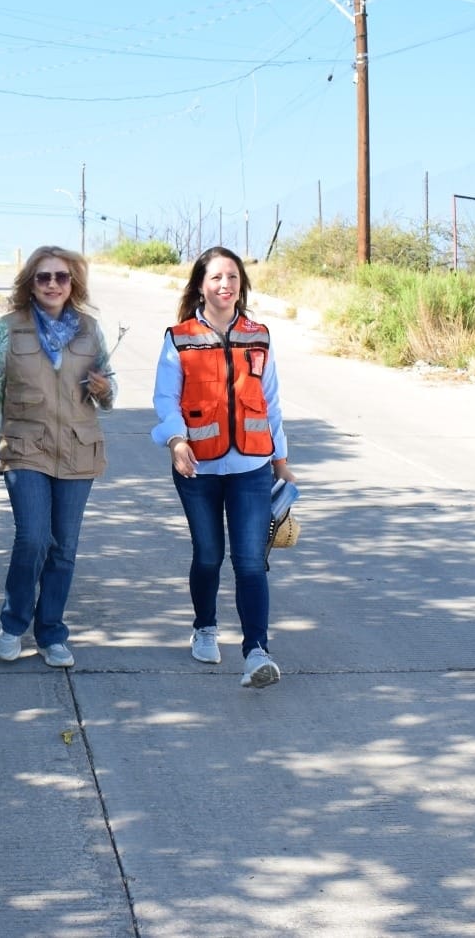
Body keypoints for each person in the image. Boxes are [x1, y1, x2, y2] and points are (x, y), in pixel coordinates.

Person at [151, 246, 297, 688]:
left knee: (251, 561)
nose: (225, 285)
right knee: (210, 555)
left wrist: (281, 464)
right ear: (201, 285)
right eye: (216, 277)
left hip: (252, 466)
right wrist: (176, 441)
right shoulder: (179, 338)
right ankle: (205, 627)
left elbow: (270, 402)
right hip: (198, 466)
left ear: (241, 285)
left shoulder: (260, 335)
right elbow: (164, 399)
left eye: (232, 277)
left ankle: (256, 652)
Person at [0, 246, 115, 669]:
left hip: (77, 450)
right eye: (43, 277)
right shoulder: (9, 328)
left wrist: (104, 389)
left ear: (74, 284)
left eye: (62, 277)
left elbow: (108, 396)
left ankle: (51, 631)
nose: (53, 284)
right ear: (29, 284)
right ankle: (14, 624)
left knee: (64, 547)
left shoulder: (89, 330)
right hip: (25, 449)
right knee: (33, 538)